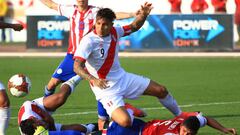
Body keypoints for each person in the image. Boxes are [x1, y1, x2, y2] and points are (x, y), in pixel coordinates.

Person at [39, 0, 146, 130]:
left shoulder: (95, 11)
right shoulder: (70, 10)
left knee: (102, 87)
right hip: (73, 57)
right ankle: (44, 112)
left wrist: (132, 14)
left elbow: (114, 15)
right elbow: (51, 5)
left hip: (94, 58)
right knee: (52, 83)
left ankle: (112, 115)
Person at [73, 3, 182, 129]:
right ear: (95, 23)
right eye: (98, 24)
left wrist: (143, 15)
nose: (101, 27)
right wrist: (93, 79)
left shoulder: (115, 31)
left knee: (161, 90)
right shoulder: (88, 41)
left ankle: (180, 115)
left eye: (105, 24)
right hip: (106, 89)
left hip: (123, 79)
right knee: (125, 122)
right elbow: (76, 67)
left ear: (111, 25)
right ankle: (128, 109)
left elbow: (134, 26)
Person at [18, 75, 97, 135]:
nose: (39, 121)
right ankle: (91, 127)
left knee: (61, 98)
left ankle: (78, 76)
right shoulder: (30, 130)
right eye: (38, 123)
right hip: (43, 131)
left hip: (40, 107)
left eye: (37, 121)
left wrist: (53, 131)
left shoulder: (29, 109)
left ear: (32, 118)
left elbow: (49, 119)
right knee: (81, 129)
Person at [91, 111, 237, 135]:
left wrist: (223, 129)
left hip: (141, 124)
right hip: (134, 132)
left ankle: (90, 126)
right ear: (182, 125)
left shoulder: (184, 120)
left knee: (103, 127)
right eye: (184, 132)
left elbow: (207, 119)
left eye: (189, 134)